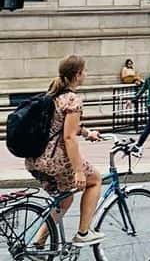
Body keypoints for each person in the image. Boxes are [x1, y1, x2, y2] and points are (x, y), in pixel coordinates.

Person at [25, 55, 105, 249]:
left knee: (65, 197)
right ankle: (83, 233)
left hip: (36, 160)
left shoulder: (53, 96)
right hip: (56, 160)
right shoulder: (72, 100)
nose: (86, 74)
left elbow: (62, 127)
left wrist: (88, 133)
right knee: (94, 180)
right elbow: (69, 137)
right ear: (77, 74)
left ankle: (39, 241)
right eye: (85, 71)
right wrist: (78, 170)